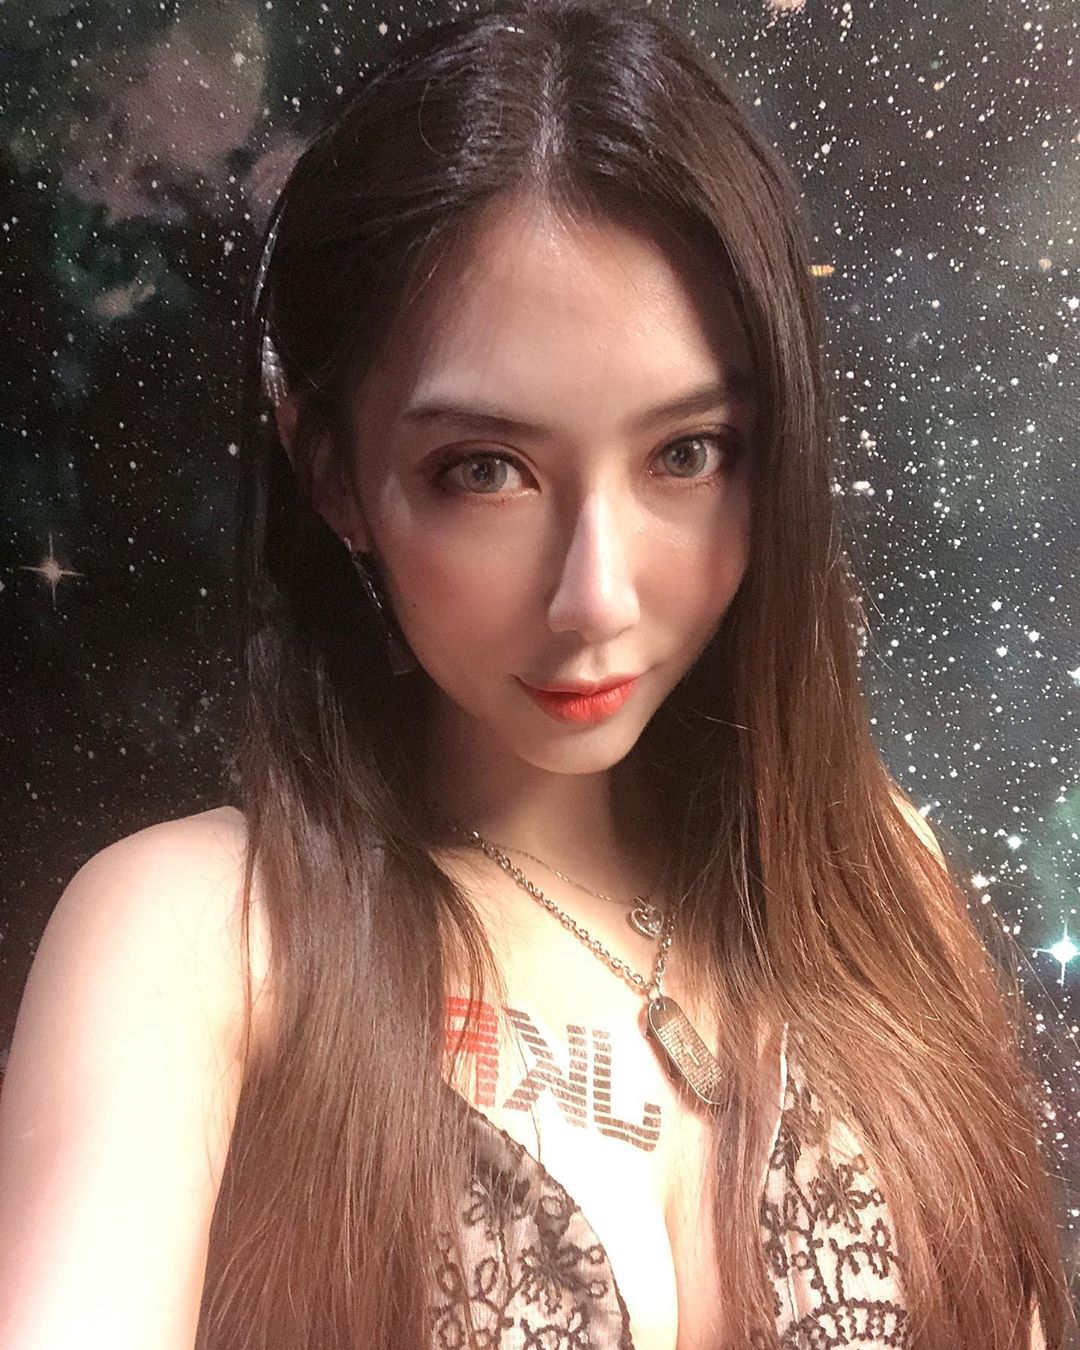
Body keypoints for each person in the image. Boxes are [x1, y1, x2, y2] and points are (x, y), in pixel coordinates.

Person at [0, 0, 1072, 1346]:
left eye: (687, 454)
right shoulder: (201, 940)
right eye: (486, 470)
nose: (596, 596)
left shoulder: (877, 877)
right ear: (332, 469)